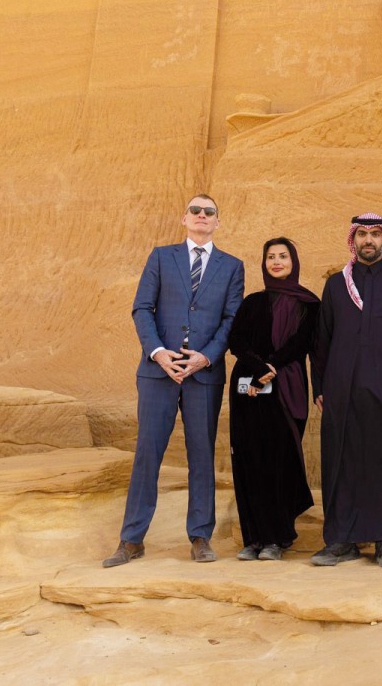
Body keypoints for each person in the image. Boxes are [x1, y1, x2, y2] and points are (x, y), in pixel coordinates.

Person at [104, 194, 245, 567]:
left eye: (209, 212)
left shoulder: (232, 266)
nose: (202, 216)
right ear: (184, 218)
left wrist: (207, 356)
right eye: (195, 211)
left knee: (202, 455)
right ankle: (131, 539)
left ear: (218, 221)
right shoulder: (161, 257)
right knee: (147, 454)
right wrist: (157, 351)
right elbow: (142, 308)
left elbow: (232, 319)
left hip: (204, 374)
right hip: (158, 372)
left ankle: (200, 536)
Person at [310, 213, 382, 568]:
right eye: (362, 235)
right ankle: (342, 539)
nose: (368, 240)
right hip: (341, 390)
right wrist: (320, 386)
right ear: (353, 240)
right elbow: (322, 340)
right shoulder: (335, 285)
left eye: (375, 234)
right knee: (342, 461)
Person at [226, 237, 319, 562]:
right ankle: (254, 538)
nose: (277, 262)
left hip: (285, 389)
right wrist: (257, 368)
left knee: (279, 460)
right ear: (264, 263)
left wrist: (272, 367)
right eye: (271, 257)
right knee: (249, 460)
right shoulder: (252, 302)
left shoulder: (309, 304)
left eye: (283, 256)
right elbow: (235, 340)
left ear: (293, 261)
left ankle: (277, 538)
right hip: (247, 390)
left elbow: (302, 343)